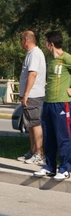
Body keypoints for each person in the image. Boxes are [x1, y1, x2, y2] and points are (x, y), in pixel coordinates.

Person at [34, 31, 71, 181]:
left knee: (63, 137)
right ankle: (50, 166)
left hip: (62, 103)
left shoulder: (67, 58)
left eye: (45, 42)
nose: (44, 44)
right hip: (48, 102)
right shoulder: (49, 58)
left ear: (51, 44)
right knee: (48, 136)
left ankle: (65, 168)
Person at [16, 31, 46, 165]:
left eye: (21, 40)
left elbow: (32, 74)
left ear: (26, 40)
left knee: (35, 124)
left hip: (33, 95)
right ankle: (32, 151)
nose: (21, 43)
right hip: (30, 95)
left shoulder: (34, 54)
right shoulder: (32, 54)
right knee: (30, 125)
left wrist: (26, 94)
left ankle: (39, 153)